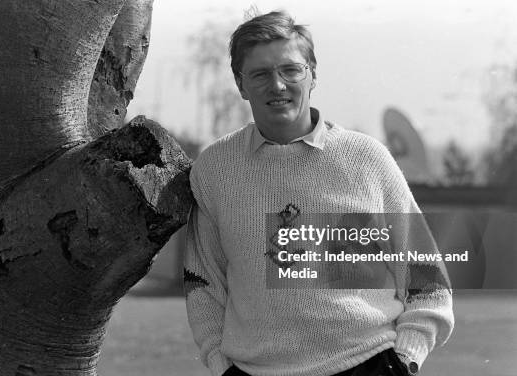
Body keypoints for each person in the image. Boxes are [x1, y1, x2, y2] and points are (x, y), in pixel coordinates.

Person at [183, 10, 453, 376]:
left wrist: (406, 358)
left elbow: (426, 275)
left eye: (290, 70)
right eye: (260, 74)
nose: (277, 85)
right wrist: (220, 363)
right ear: (240, 83)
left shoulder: (368, 160)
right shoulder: (213, 170)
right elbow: (204, 283)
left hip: (368, 364)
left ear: (313, 74)